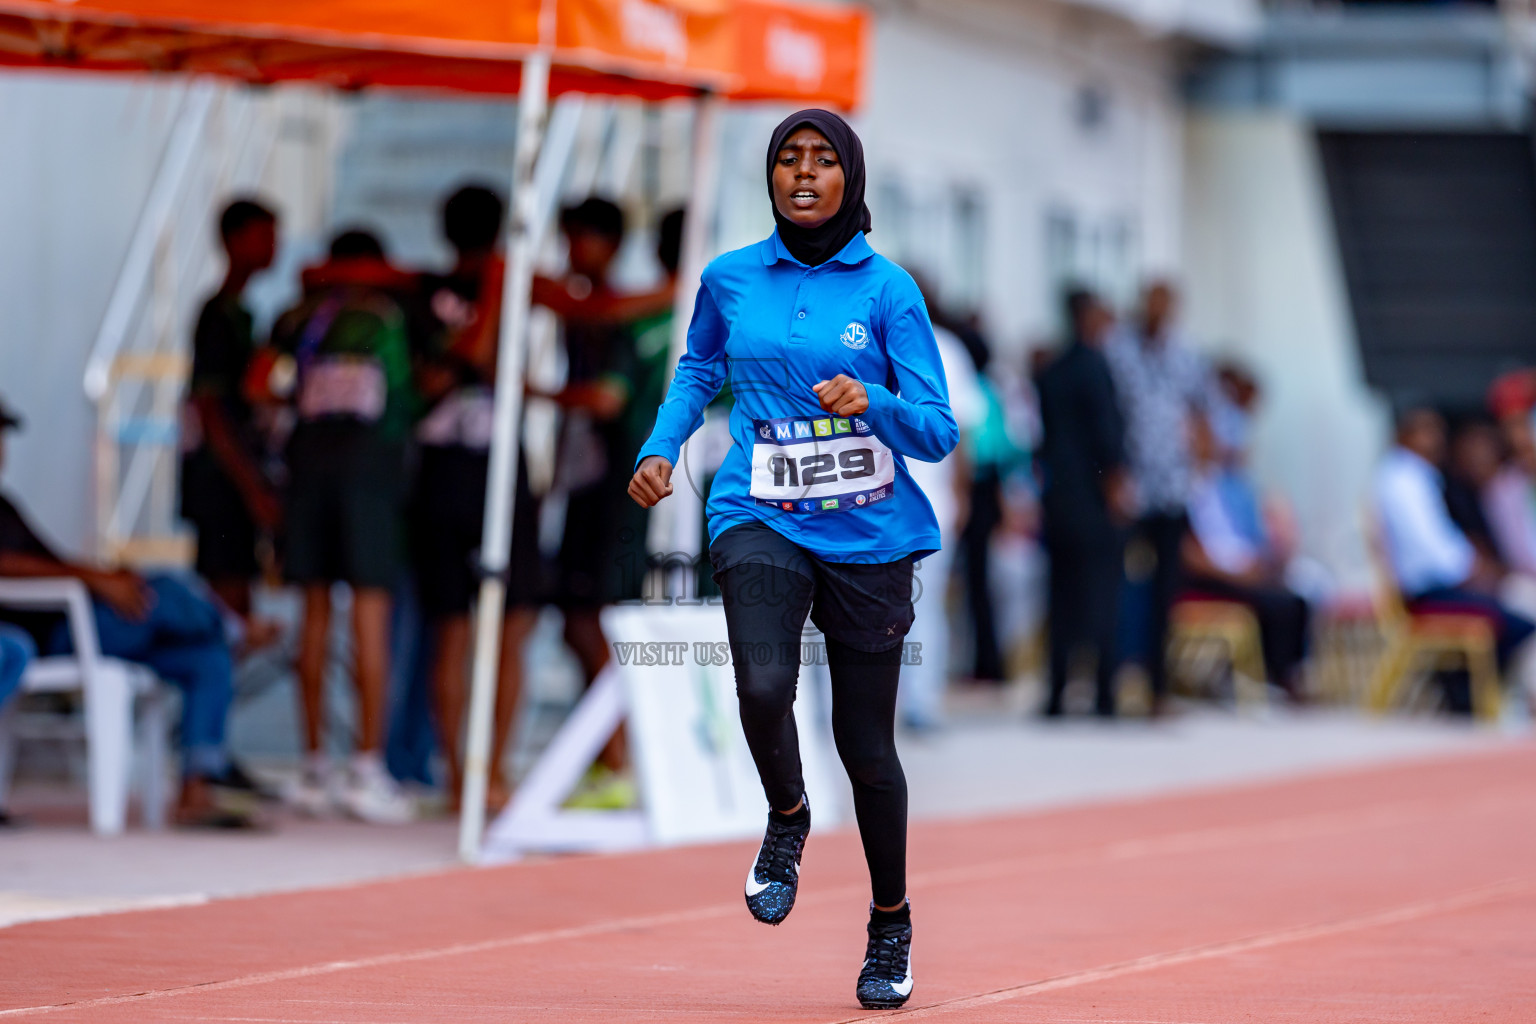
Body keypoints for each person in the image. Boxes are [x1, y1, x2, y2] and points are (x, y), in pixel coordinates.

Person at [629, 109, 956, 1010]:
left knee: (867, 748)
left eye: (821, 161)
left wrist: (874, 400)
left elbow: (937, 430)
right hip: (758, 509)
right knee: (765, 686)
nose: (803, 174)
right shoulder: (729, 278)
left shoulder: (890, 293)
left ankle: (890, 922)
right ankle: (786, 817)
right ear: (769, 177)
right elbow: (698, 369)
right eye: (787, 159)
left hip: (869, 533)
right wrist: (662, 446)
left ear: (850, 176)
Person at [0, 399, 259, 827]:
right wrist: (94, 579)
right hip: (58, 635)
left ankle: (198, 785)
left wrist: (105, 576)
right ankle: (233, 627)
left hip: (86, 621)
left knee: (205, 658)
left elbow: (53, 560)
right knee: (160, 591)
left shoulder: (6, 505)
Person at [259, 230, 417, 823]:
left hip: (307, 474)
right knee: (370, 618)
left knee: (315, 617)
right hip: (369, 479)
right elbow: (409, 399)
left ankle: (314, 766)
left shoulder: (300, 319)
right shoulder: (388, 319)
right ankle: (367, 768)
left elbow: (260, 383)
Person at [410, 185, 542, 811]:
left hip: (482, 466)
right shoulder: (442, 292)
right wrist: (496, 287)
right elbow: (464, 362)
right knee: (460, 629)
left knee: (503, 625)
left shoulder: (513, 286)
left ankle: (484, 774)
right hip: (462, 468)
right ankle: (470, 778)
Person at [1373, 407, 1535, 713]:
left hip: (1440, 581)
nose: (1433, 439)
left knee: (1512, 613)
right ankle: (1469, 696)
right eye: (1425, 431)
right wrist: (1469, 568)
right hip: (1428, 590)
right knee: (1515, 623)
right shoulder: (1403, 479)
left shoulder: (1418, 476)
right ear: (1404, 433)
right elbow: (1428, 545)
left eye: (1436, 431)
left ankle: (1471, 695)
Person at [1105, 280, 1210, 716]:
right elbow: (1106, 414)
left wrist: (1200, 465)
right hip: (1129, 485)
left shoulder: (1187, 355)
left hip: (1171, 486)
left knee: (1166, 589)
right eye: (1152, 302)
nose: (1158, 311)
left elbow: (1202, 412)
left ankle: (1158, 688)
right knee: (1119, 588)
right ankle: (1110, 682)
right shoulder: (1117, 350)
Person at [180, 199, 283, 641]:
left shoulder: (242, 314)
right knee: (227, 604)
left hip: (235, 474)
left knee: (241, 588)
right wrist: (250, 485)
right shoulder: (217, 316)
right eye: (263, 236)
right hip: (220, 480)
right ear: (231, 241)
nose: (273, 247)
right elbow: (211, 410)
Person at [1035, 288, 1131, 717]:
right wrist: (1116, 492)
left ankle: (1056, 692)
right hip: (1092, 499)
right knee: (1101, 598)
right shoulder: (1097, 366)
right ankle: (1103, 693)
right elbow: (1108, 437)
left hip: (1058, 497)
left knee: (1059, 598)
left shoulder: (1051, 368)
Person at [898, 281, 985, 730]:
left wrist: (962, 492)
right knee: (917, 606)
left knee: (922, 606)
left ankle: (921, 701)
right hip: (899, 498)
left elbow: (964, 432)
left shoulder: (945, 349)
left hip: (927, 499)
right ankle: (910, 703)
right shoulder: (875, 339)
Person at [1181, 414, 1310, 698]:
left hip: (1239, 566)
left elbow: (1246, 536)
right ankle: (1267, 679)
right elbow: (1189, 553)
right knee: (1274, 604)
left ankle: (1285, 676)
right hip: (1207, 574)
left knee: (1297, 599)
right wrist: (1237, 573)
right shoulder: (1180, 487)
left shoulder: (1223, 484)